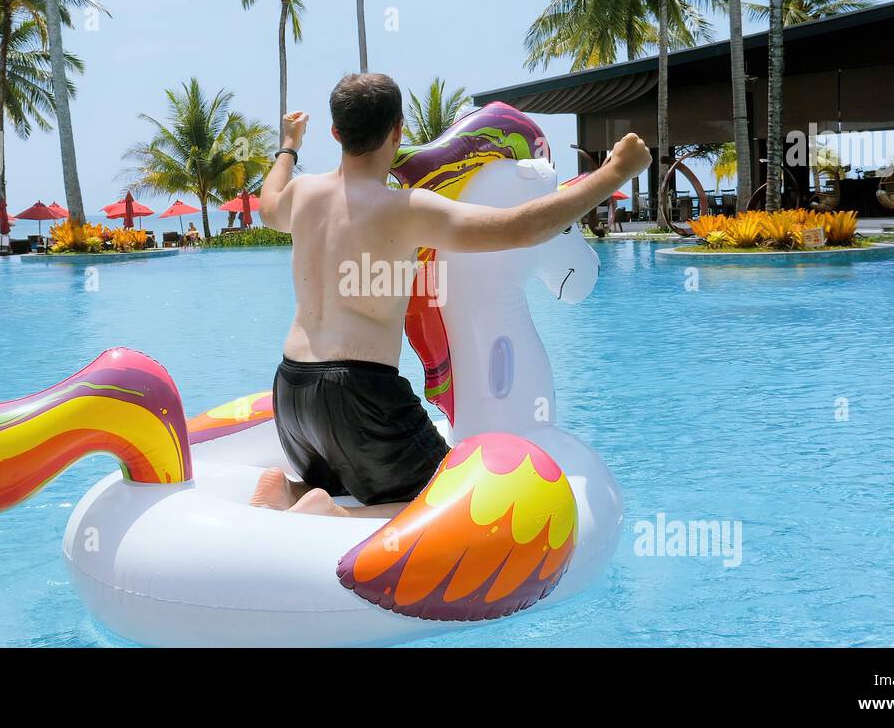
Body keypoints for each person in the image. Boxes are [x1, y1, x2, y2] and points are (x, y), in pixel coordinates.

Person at [250, 73, 652, 517]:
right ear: (398, 130)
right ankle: (332, 516)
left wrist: (289, 146)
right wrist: (615, 172)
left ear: (336, 133)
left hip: (292, 394)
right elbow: (520, 227)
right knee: (457, 500)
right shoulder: (405, 209)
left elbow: (268, 205)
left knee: (360, 471)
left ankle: (291, 491)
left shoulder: (303, 193)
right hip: (360, 396)